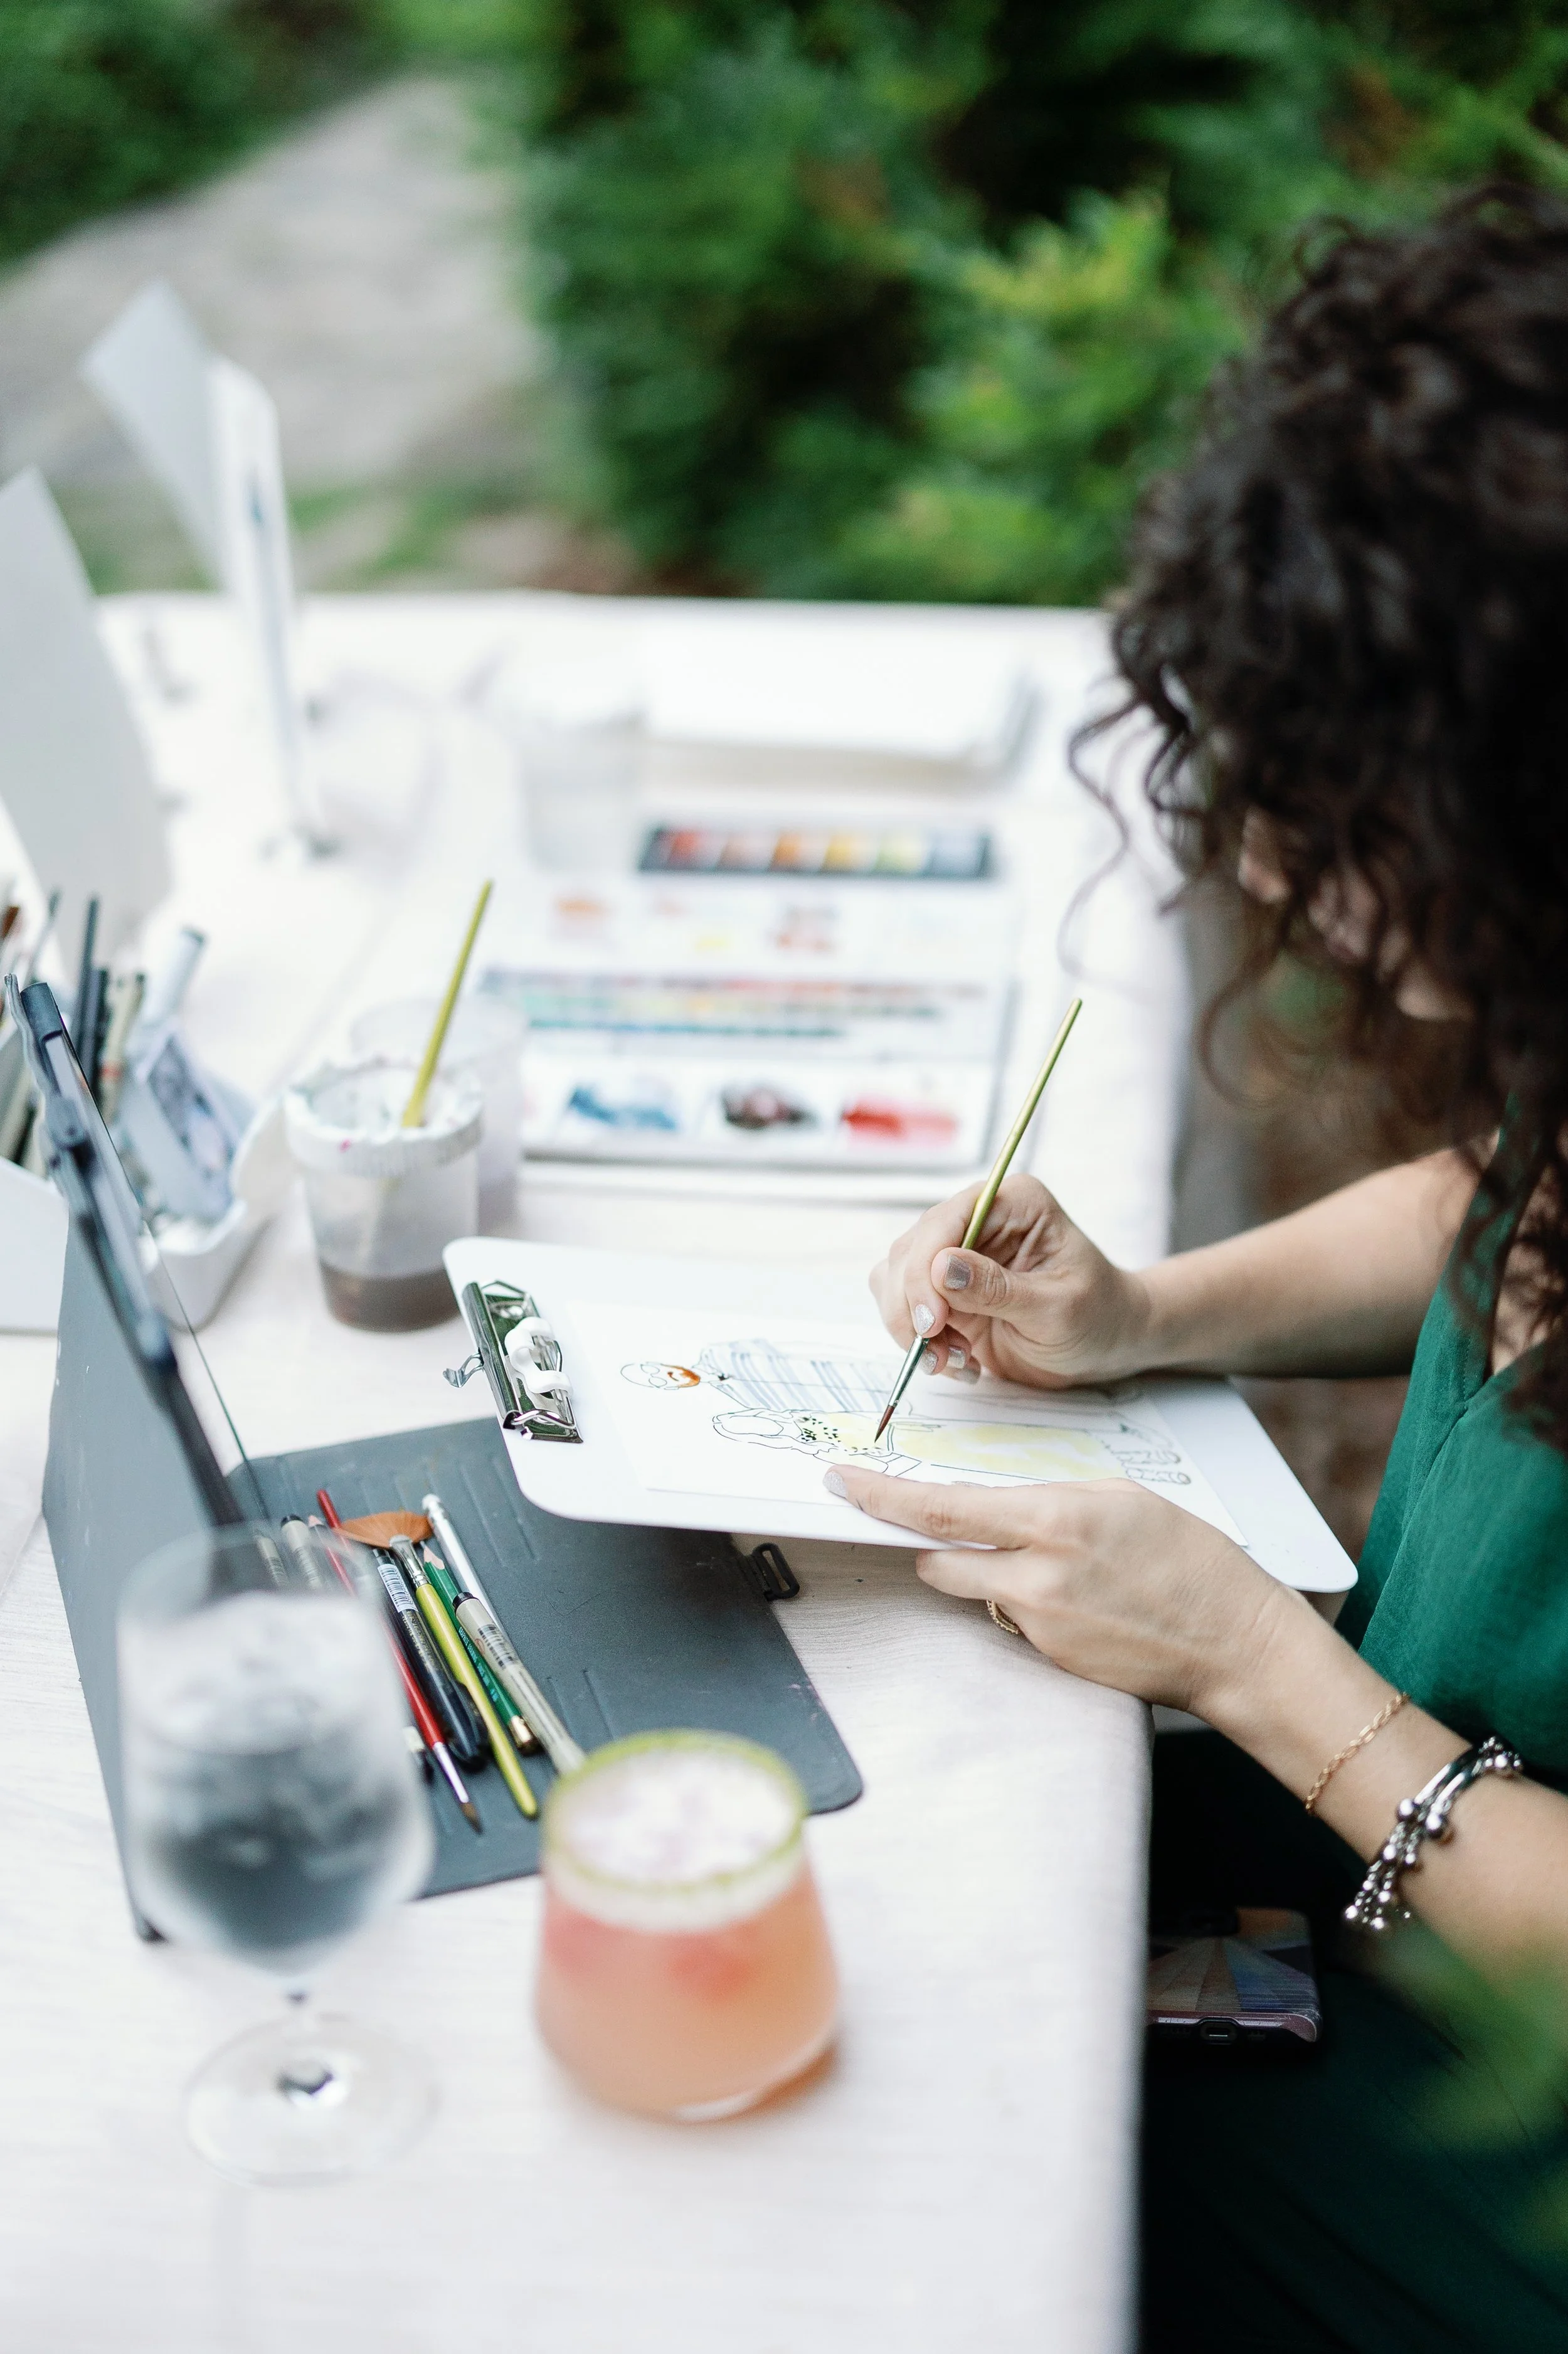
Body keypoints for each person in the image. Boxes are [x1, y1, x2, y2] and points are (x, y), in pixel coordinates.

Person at [830, 186, 1568, 2350]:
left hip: (1494, 2160)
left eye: (1346, 799)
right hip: (1346, 1888)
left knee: (913, 2185)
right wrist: (1144, 1318)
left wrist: (1258, 1667)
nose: (1256, 854)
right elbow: (1493, 1200)